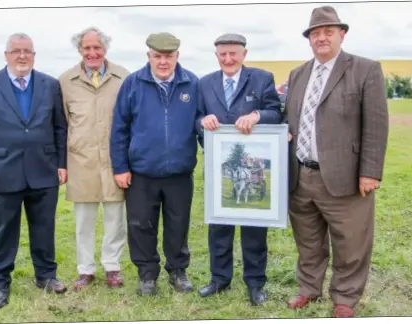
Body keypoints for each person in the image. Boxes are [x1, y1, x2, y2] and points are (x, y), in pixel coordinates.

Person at [283, 6, 388, 318]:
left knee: (351, 242)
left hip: (346, 176)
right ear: (309, 40)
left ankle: (344, 297)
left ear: (342, 34)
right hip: (301, 175)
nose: (321, 37)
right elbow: (289, 118)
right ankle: (308, 289)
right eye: (315, 33)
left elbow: (376, 124)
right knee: (308, 240)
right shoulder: (298, 74)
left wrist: (369, 171)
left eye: (328, 31)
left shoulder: (365, 70)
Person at [0, 33, 68, 310]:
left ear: (34, 55)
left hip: (44, 170)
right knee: (4, 230)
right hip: (2, 171)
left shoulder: (49, 84)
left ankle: (46, 276)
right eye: (16, 51)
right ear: (6, 54)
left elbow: (60, 127)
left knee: (44, 227)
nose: (22, 56)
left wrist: (61, 163)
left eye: (27, 51)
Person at [195, 33, 283, 305]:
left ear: (244, 54)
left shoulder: (261, 78)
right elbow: (196, 119)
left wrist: (256, 115)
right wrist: (204, 120)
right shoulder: (205, 83)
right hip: (219, 165)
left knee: (254, 226)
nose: (228, 59)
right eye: (223, 54)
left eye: (233, 53)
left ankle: (255, 282)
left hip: (251, 161)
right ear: (216, 56)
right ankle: (219, 279)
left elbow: (275, 112)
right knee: (219, 225)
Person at [110, 32, 199, 296]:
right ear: (148, 55)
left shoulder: (192, 83)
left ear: (177, 56)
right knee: (141, 225)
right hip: (141, 172)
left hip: (180, 172)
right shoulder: (132, 83)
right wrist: (120, 167)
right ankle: (147, 274)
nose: (163, 61)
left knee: (178, 224)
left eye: (168, 56)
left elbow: (203, 122)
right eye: (157, 56)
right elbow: (119, 128)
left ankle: (178, 271)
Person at [58, 27, 130, 291]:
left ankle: (112, 266)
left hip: (115, 161)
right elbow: (62, 124)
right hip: (82, 160)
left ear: (105, 50)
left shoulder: (123, 77)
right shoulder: (65, 81)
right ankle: (85, 270)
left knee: (115, 217)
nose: (92, 53)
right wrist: (62, 163)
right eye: (87, 48)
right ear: (80, 51)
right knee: (84, 221)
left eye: (97, 48)